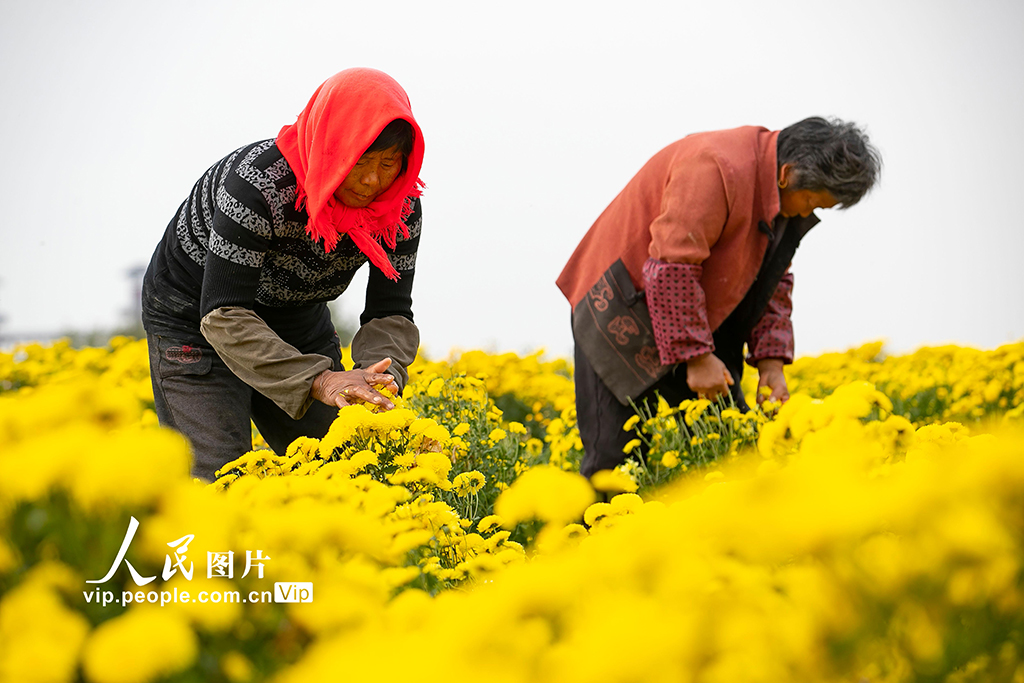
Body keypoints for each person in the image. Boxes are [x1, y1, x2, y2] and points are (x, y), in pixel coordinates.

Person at [142, 68, 426, 482]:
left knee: (341, 466)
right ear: (331, 148)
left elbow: (391, 310)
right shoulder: (257, 187)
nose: (371, 180)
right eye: (360, 160)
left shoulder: (399, 208)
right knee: (220, 478)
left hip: (294, 315)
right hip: (195, 318)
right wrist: (318, 378)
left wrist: (379, 377)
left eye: (388, 164)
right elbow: (223, 314)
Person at [557, 117, 881, 478]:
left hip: (696, 317)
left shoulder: (781, 194)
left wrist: (771, 364)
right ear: (787, 174)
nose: (808, 214)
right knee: (613, 462)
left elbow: (773, 280)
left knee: (731, 448)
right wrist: (695, 358)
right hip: (619, 306)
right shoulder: (714, 166)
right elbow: (672, 266)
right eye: (811, 203)